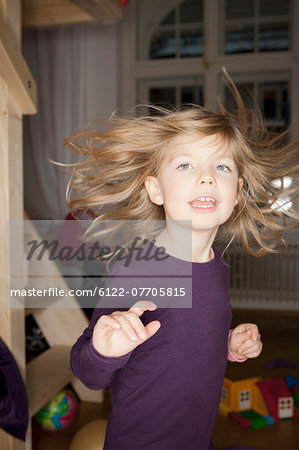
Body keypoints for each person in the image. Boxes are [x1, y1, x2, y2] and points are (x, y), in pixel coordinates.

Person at [67, 79, 298, 450]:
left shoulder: (216, 265)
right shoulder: (139, 269)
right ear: (155, 189)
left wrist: (227, 346)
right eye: (186, 165)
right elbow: (87, 373)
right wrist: (104, 349)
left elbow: (182, 344)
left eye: (221, 167)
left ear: (237, 192)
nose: (206, 177)